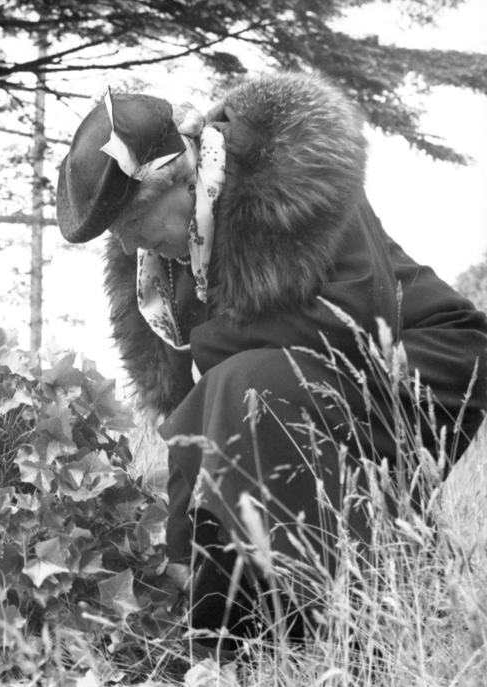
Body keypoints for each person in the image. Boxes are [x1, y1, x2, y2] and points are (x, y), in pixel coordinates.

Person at [55, 71, 487, 650]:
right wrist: (183, 559)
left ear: (181, 177)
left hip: (424, 361)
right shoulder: (162, 270)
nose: (130, 246)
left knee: (248, 386)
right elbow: (192, 416)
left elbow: (359, 311)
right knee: (241, 394)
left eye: (133, 224)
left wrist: (212, 350)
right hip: (305, 384)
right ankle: (246, 634)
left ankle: (374, 618)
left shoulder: (290, 166)